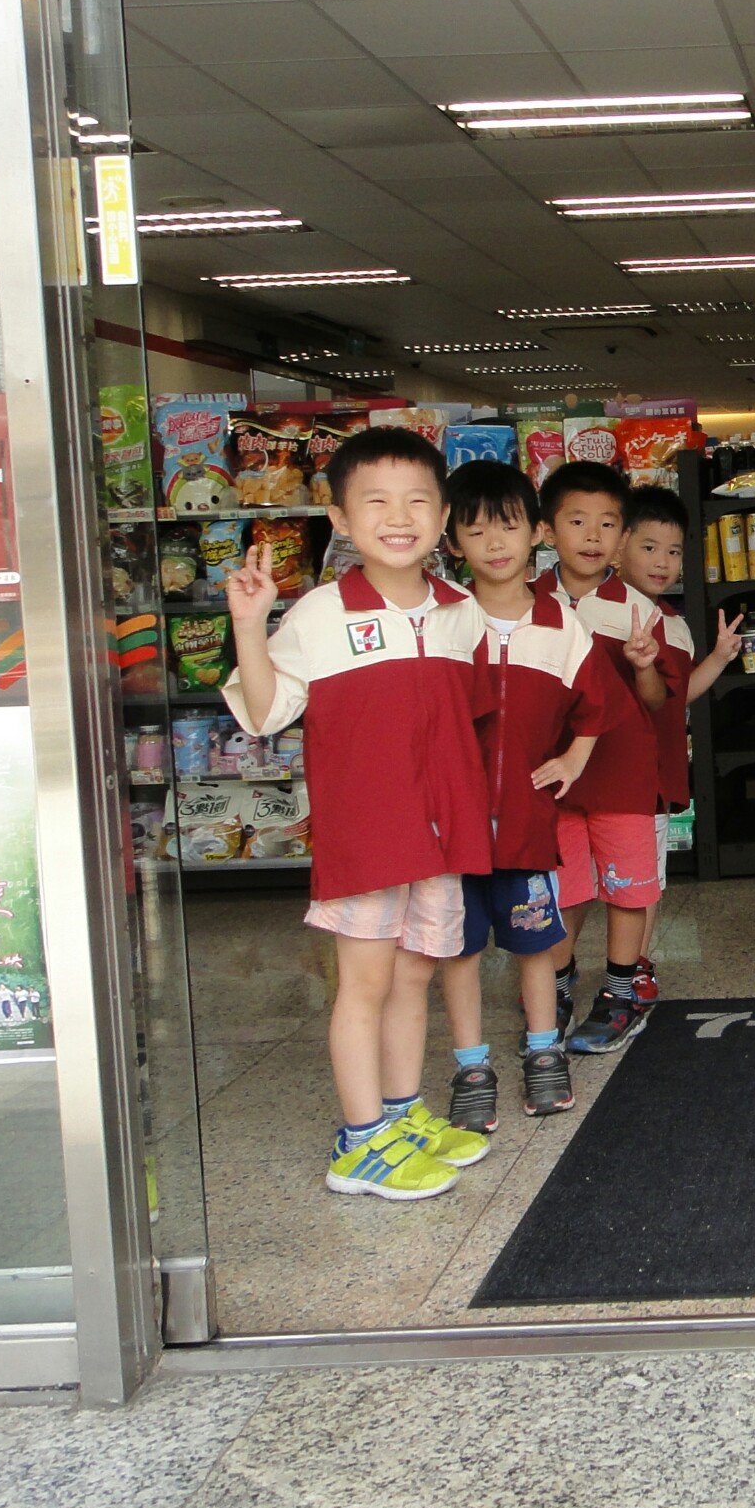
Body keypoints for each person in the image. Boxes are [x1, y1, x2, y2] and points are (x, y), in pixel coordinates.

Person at [225, 425, 494, 1202]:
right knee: (366, 981)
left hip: (439, 827)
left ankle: (401, 1114)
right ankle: (360, 1141)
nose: (398, 516)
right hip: (368, 831)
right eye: (375, 501)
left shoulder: (459, 610)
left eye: (418, 500)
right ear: (340, 518)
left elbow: (464, 718)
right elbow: (267, 712)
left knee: (415, 972)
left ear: (443, 518)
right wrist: (251, 625)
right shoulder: (319, 611)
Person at [436, 458, 615, 1135]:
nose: (495, 543)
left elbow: (596, 701)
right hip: (452, 828)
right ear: (452, 542)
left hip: (526, 821)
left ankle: (544, 1051)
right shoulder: (444, 623)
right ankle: (472, 1067)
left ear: (535, 531)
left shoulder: (559, 623)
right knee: (459, 947)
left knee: (538, 942)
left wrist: (574, 755)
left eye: (508, 526)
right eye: (476, 531)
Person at [532, 461, 671, 1053]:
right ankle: (557, 986)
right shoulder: (524, 600)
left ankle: (621, 991)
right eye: (577, 521)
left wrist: (643, 667)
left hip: (623, 773)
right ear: (546, 531)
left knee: (628, 886)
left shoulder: (639, 609)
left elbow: (658, 701)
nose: (592, 536)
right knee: (561, 887)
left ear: (621, 538)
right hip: (552, 775)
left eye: (607, 524)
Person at [616, 486, 745, 976]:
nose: (662, 562)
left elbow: (678, 697)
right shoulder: (590, 610)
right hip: (605, 777)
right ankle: (557, 980)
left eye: (673, 552)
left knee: (647, 882)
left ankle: (634, 968)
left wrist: (719, 657)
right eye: (649, 548)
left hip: (656, 777)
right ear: (621, 542)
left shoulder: (675, 624)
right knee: (584, 886)